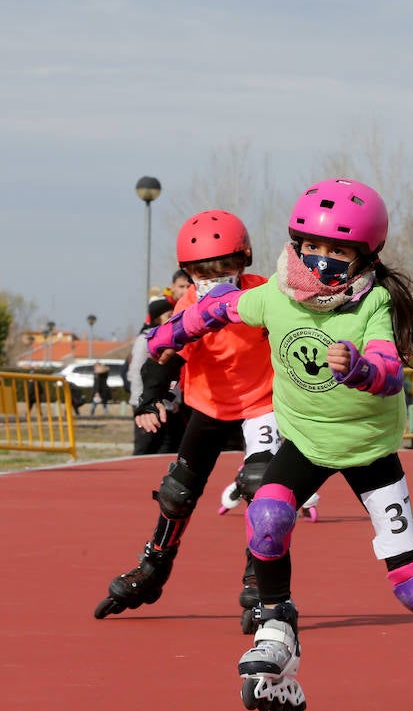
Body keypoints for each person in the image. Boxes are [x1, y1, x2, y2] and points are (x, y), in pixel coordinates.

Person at [145, 178, 413, 711]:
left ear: (364, 255)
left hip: (369, 451)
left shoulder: (372, 302)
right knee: (266, 514)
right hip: (306, 442)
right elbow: (215, 311)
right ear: (295, 243)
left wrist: (362, 370)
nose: (322, 261)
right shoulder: (275, 294)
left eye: (339, 251)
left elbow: (389, 369)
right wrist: (166, 338)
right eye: (314, 247)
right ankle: (277, 623)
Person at [94, 209, 309, 622]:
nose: (212, 280)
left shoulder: (262, 292)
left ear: (243, 261)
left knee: (260, 486)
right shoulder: (190, 303)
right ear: (187, 274)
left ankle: (258, 583)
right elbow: (165, 355)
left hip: (261, 403)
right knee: (177, 493)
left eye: (223, 268)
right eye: (201, 272)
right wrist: (151, 398)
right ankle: (153, 569)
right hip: (208, 403)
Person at [128, 297, 181, 455]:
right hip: (147, 401)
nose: (172, 318)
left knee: (166, 445)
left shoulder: (174, 340)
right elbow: (136, 372)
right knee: (146, 444)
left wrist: (175, 398)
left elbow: (173, 377)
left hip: (167, 404)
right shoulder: (144, 340)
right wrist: (141, 399)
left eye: (173, 315)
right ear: (158, 318)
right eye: (168, 315)